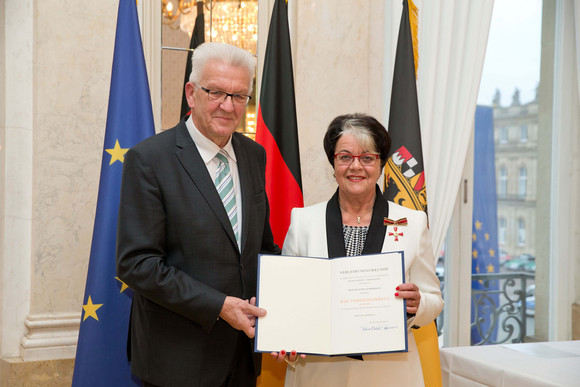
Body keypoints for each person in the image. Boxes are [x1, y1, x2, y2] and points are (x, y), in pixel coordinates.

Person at [116, 42, 280, 387]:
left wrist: (291, 312)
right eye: (216, 92)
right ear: (191, 93)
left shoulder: (254, 155)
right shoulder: (150, 159)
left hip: (243, 357)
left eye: (239, 96)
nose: (227, 105)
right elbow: (137, 263)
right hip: (178, 361)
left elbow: (261, 248)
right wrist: (219, 305)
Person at [273, 113, 444, 386]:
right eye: (345, 156)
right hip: (319, 372)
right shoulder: (303, 221)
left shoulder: (413, 222)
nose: (356, 166)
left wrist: (418, 304)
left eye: (367, 157)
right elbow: (287, 300)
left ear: (380, 164)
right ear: (333, 163)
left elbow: (434, 298)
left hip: (389, 374)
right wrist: (284, 334)